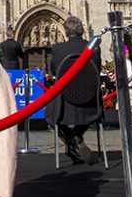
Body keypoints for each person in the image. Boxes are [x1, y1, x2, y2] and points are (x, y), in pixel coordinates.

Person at [45, 15, 100, 164]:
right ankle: (76, 137)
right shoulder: (93, 48)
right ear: (82, 30)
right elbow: (97, 71)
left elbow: (55, 72)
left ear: (66, 32)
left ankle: (72, 139)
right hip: (91, 104)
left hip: (66, 104)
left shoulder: (58, 49)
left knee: (49, 114)